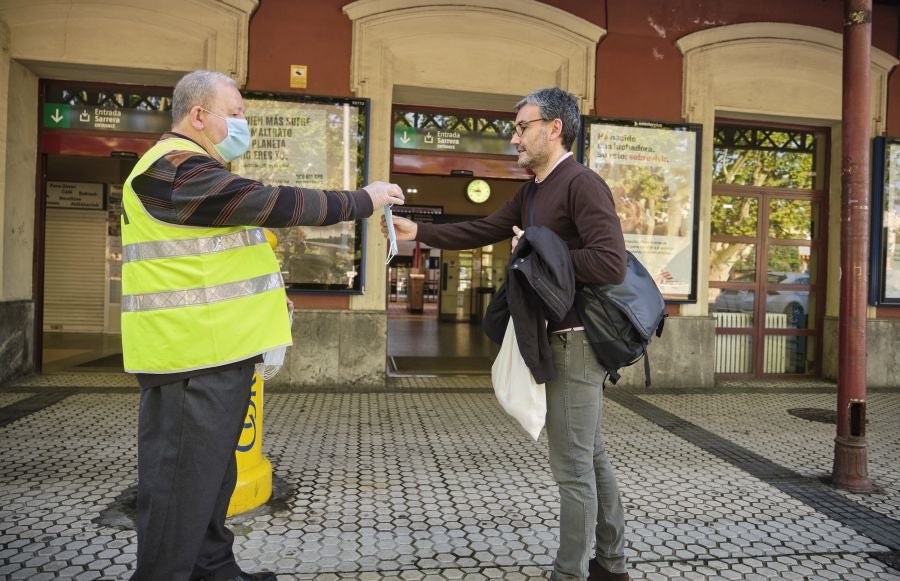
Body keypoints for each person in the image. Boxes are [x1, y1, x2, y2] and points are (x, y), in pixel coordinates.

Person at [122, 70, 403, 581]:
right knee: (181, 488)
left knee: (210, 479)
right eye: (236, 111)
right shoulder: (174, 171)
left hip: (216, 354)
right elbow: (276, 202)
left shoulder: (197, 172)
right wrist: (361, 201)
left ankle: (213, 568)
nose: (243, 121)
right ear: (199, 115)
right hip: (190, 358)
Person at [384, 87, 630, 581]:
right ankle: (613, 562)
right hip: (552, 337)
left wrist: (541, 249)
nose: (514, 137)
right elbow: (484, 228)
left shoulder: (583, 183)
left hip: (578, 342)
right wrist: (419, 232)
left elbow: (610, 262)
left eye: (522, 127)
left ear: (555, 128)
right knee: (590, 453)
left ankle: (571, 572)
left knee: (572, 467)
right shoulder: (534, 190)